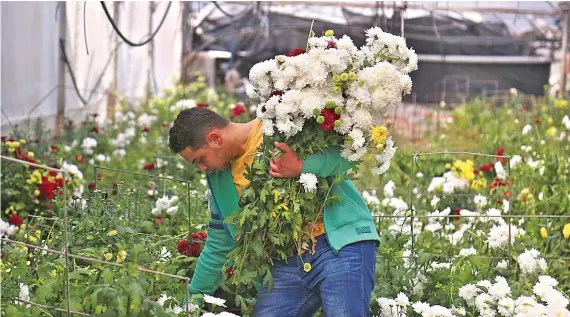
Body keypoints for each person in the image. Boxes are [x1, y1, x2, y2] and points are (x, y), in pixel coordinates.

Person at [168, 107, 381, 317]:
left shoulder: (278, 125)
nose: (202, 169)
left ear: (214, 138)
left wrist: (303, 165)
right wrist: (193, 301)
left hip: (338, 247)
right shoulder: (219, 179)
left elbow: (346, 153)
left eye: (200, 160)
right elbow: (218, 243)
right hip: (286, 263)